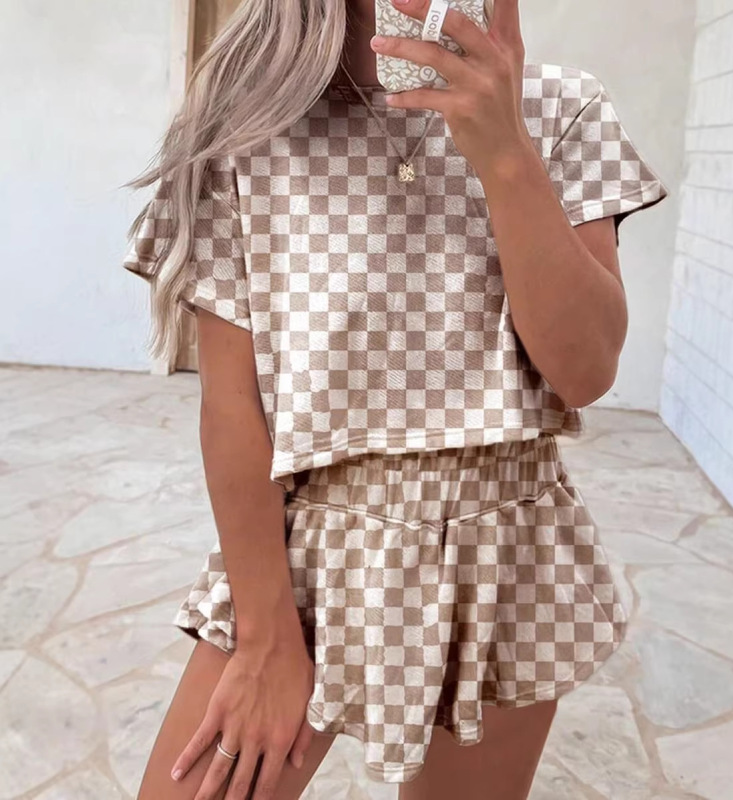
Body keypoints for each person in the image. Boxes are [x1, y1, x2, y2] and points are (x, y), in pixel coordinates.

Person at [123, 0, 668, 797]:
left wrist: (505, 151)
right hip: (304, 554)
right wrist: (265, 639)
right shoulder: (250, 124)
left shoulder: (563, 109)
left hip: (504, 553)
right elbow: (233, 407)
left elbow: (584, 371)